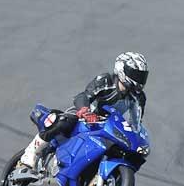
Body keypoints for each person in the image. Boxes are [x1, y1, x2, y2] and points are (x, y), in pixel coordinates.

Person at [19, 52, 148, 170]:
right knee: (65, 121)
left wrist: (139, 141)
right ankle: (31, 153)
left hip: (107, 128)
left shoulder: (138, 98)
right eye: (136, 74)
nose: (139, 79)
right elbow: (83, 96)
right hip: (84, 117)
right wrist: (85, 111)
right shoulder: (106, 80)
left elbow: (136, 124)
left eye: (142, 76)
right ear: (122, 69)